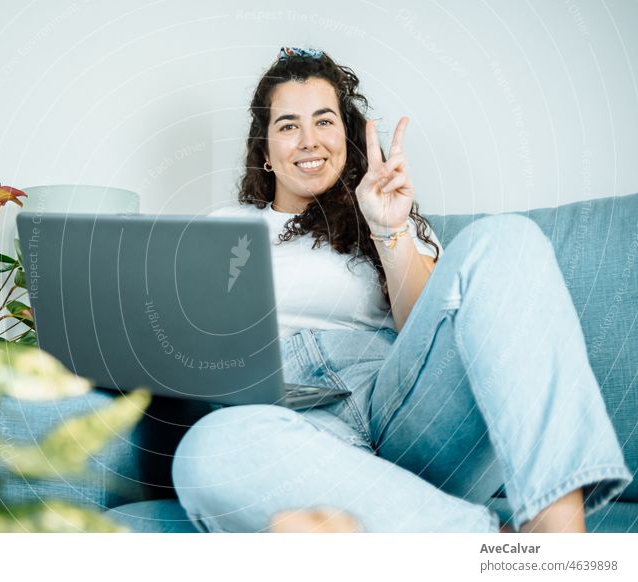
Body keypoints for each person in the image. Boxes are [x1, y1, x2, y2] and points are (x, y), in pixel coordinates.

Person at [171, 47, 631, 532]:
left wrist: (388, 230)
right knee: (209, 449)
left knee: (507, 239)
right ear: (265, 151)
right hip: (292, 424)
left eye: (324, 121)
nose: (309, 140)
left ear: (346, 137)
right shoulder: (223, 229)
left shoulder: (387, 217)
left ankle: (559, 531)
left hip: (401, 408)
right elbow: (189, 342)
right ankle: (487, 547)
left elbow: (430, 329)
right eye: (288, 126)